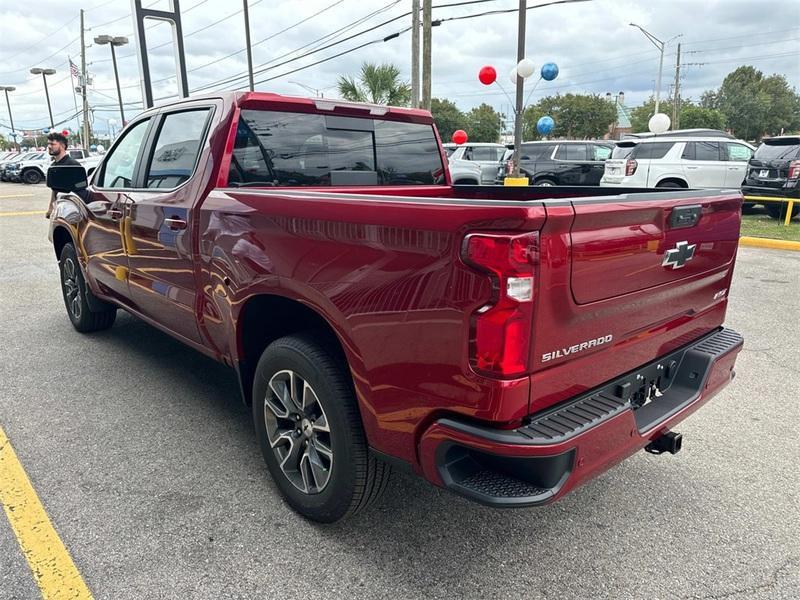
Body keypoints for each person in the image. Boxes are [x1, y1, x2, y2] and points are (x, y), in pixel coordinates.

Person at [45, 131, 86, 218]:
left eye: (52, 144)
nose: (49, 146)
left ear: (62, 146)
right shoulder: (53, 166)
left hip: (73, 209)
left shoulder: (73, 165)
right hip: (59, 208)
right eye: (48, 144)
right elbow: (55, 190)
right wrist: (50, 208)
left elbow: (82, 186)